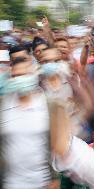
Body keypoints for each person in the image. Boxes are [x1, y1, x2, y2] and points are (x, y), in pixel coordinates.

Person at [0, 45, 53, 188]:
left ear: (33, 75)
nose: (20, 79)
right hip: (11, 183)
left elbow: (55, 142)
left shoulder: (47, 103)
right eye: (16, 76)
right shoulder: (3, 104)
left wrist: (54, 178)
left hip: (42, 181)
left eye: (24, 75)